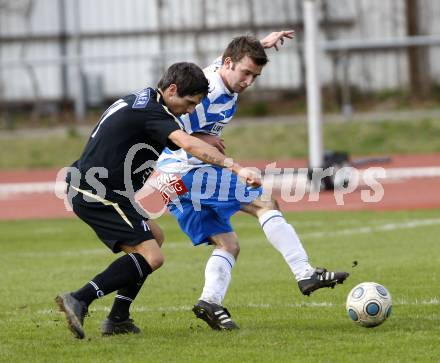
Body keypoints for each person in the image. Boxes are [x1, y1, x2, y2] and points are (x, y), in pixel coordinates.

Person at [155, 32, 349, 330]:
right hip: (186, 171)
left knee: (228, 244)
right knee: (264, 201)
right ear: (229, 63)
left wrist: (262, 43)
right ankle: (304, 272)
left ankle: (209, 302)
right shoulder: (207, 92)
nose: (248, 82)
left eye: (255, 76)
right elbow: (165, 126)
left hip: (172, 183)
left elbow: (231, 55)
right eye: (246, 73)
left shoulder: (221, 72)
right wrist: (203, 140)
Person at [55, 62, 261, 339]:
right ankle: (79, 298)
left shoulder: (146, 101)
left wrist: (262, 43)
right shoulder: (155, 112)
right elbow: (187, 144)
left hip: (105, 188)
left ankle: (118, 318)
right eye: (188, 103)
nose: (189, 110)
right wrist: (236, 167)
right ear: (172, 89)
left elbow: (184, 133)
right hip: (95, 191)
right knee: (152, 256)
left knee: (155, 236)